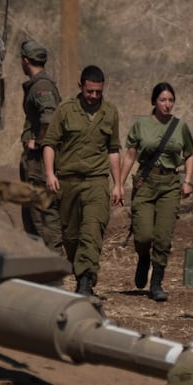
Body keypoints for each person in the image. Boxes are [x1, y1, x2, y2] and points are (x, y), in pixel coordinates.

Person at [42, 64, 123, 296]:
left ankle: (86, 281)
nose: (94, 96)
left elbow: (113, 150)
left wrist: (117, 184)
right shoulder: (65, 110)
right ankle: (81, 274)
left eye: (98, 92)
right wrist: (50, 174)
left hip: (97, 182)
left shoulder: (110, 112)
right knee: (72, 237)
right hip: (67, 183)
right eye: (90, 91)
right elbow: (50, 144)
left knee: (92, 231)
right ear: (81, 87)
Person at [121, 82, 193, 302]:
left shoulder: (180, 126)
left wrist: (188, 180)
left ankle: (157, 283)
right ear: (154, 101)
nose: (167, 104)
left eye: (171, 100)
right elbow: (130, 155)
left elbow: (190, 154)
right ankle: (143, 257)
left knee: (163, 237)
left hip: (170, 183)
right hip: (145, 182)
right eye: (163, 100)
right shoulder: (141, 125)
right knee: (143, 234)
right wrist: (119, 184)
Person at [17, 40, 63, 250]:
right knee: (32, 214)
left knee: (43, 213)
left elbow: (49, 116)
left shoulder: (42, 86)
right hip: (33, 163)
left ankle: (55, 262)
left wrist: (41, 142)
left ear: (25, 61)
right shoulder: (38, 84)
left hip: (39, 163)